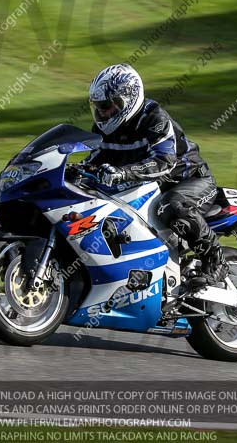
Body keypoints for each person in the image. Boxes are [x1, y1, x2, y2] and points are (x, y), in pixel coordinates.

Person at [83, 63, 225, 289]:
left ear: (127, 99)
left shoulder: (155, 119)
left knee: (171, 206)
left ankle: (214, 259)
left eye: (107, 106)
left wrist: (123, 173)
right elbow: (94, 162)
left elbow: (164, 163)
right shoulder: (102, 129)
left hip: (189, 181)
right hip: (149, 187)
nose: (102, 113)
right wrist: (74, 171)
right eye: (98, 107)